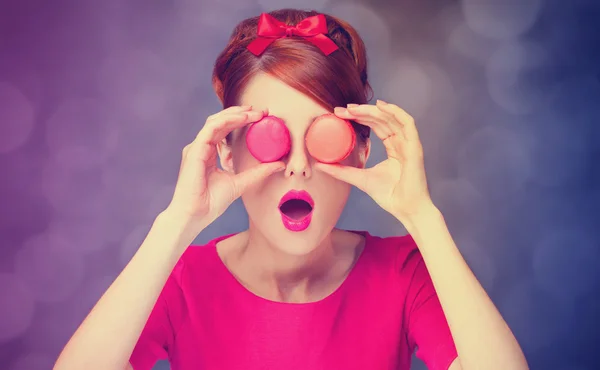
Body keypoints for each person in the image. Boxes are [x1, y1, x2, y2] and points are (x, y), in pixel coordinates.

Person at [53, 9, 529, 370]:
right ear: (226, 152)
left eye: (323, 139)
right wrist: (176, 223)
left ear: (361, 152)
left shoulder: (405, 273)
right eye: (270, 138)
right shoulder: (181, 282)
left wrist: (423, 217)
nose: (297, 167)